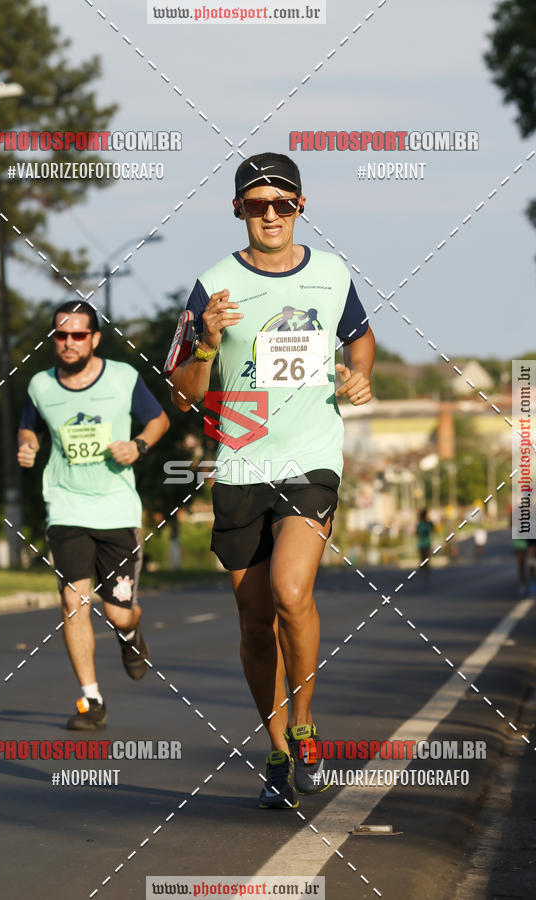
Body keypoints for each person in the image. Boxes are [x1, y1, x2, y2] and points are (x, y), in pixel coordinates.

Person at [164, 152, 375, 809]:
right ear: (237, 210)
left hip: (312, 458)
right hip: (240, 464)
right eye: (257, 204)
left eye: (283, 203)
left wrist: (358, 372)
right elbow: (181, 396)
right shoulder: (212, 286)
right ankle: (280, 750)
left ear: (301, 207)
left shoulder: (333, 274)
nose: (271, 215)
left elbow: (360, 337)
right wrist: (204, 342)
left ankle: (307, 724)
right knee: (256, 624)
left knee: (290, 590)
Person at [17, 301, 169, 730]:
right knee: (73, 601)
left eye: (78, 335)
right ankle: (91, 700)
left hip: (117, 510)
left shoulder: (123, 378)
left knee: (118, 612)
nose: (69, 343)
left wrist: (138, 445)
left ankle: (130, 634)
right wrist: (28, 443)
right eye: (61, 335)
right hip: (66, 506)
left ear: (94, 339)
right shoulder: (40, 385)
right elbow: (30, 424)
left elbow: (158, 420)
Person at [416, 508, 434, 574]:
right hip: (425, 543)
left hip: (423, 543)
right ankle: (425, 569)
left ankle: (424, 569)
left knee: (424, 558)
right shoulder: (425, 524)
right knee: (425, 558)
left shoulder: (420, 524)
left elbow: (417, 533)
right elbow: (432, 528)